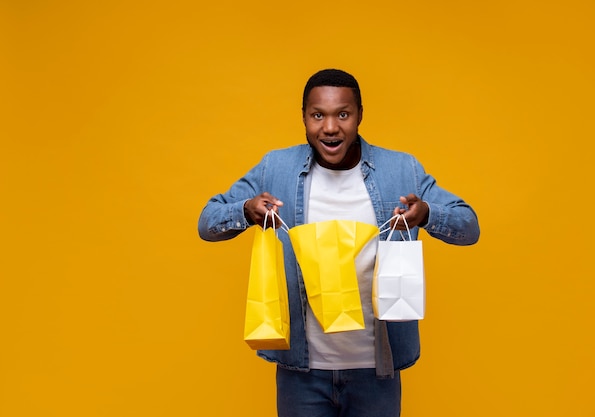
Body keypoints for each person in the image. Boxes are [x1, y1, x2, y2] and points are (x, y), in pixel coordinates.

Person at [198, 69, 480, 417]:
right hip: (301, 373)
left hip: (376, 372)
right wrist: (246, 209)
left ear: (360, 114)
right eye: (318, 115)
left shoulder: (400, 169)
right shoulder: (276, 168)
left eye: (342, 114)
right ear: (304, 116)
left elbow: (469, 227)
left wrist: (425, 214)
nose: (330, 128)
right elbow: (207, 222)